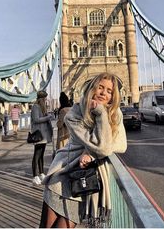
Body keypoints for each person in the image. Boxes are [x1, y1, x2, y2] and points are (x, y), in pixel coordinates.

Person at [39, 72, 127, 228]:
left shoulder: (115, 114)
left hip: (83, 183)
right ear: (92, 88)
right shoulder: (76, 112)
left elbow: (120, 145)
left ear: (114, 96)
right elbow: (103, 147)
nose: (103, 93)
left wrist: (89, 153)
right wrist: (100, 113)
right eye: (100, 87)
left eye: (109, 91)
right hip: (61, 176)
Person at [31, 90, 53, 186]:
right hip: (38, 135)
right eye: (45, 98)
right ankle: (35, 176)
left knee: (41, 155)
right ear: (41, 99)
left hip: (43, 135)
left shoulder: (42, 107)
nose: (45, 100)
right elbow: (36, 120)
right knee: (36, 155)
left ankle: (41, 173)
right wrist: (47, 118)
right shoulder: (35, 107)